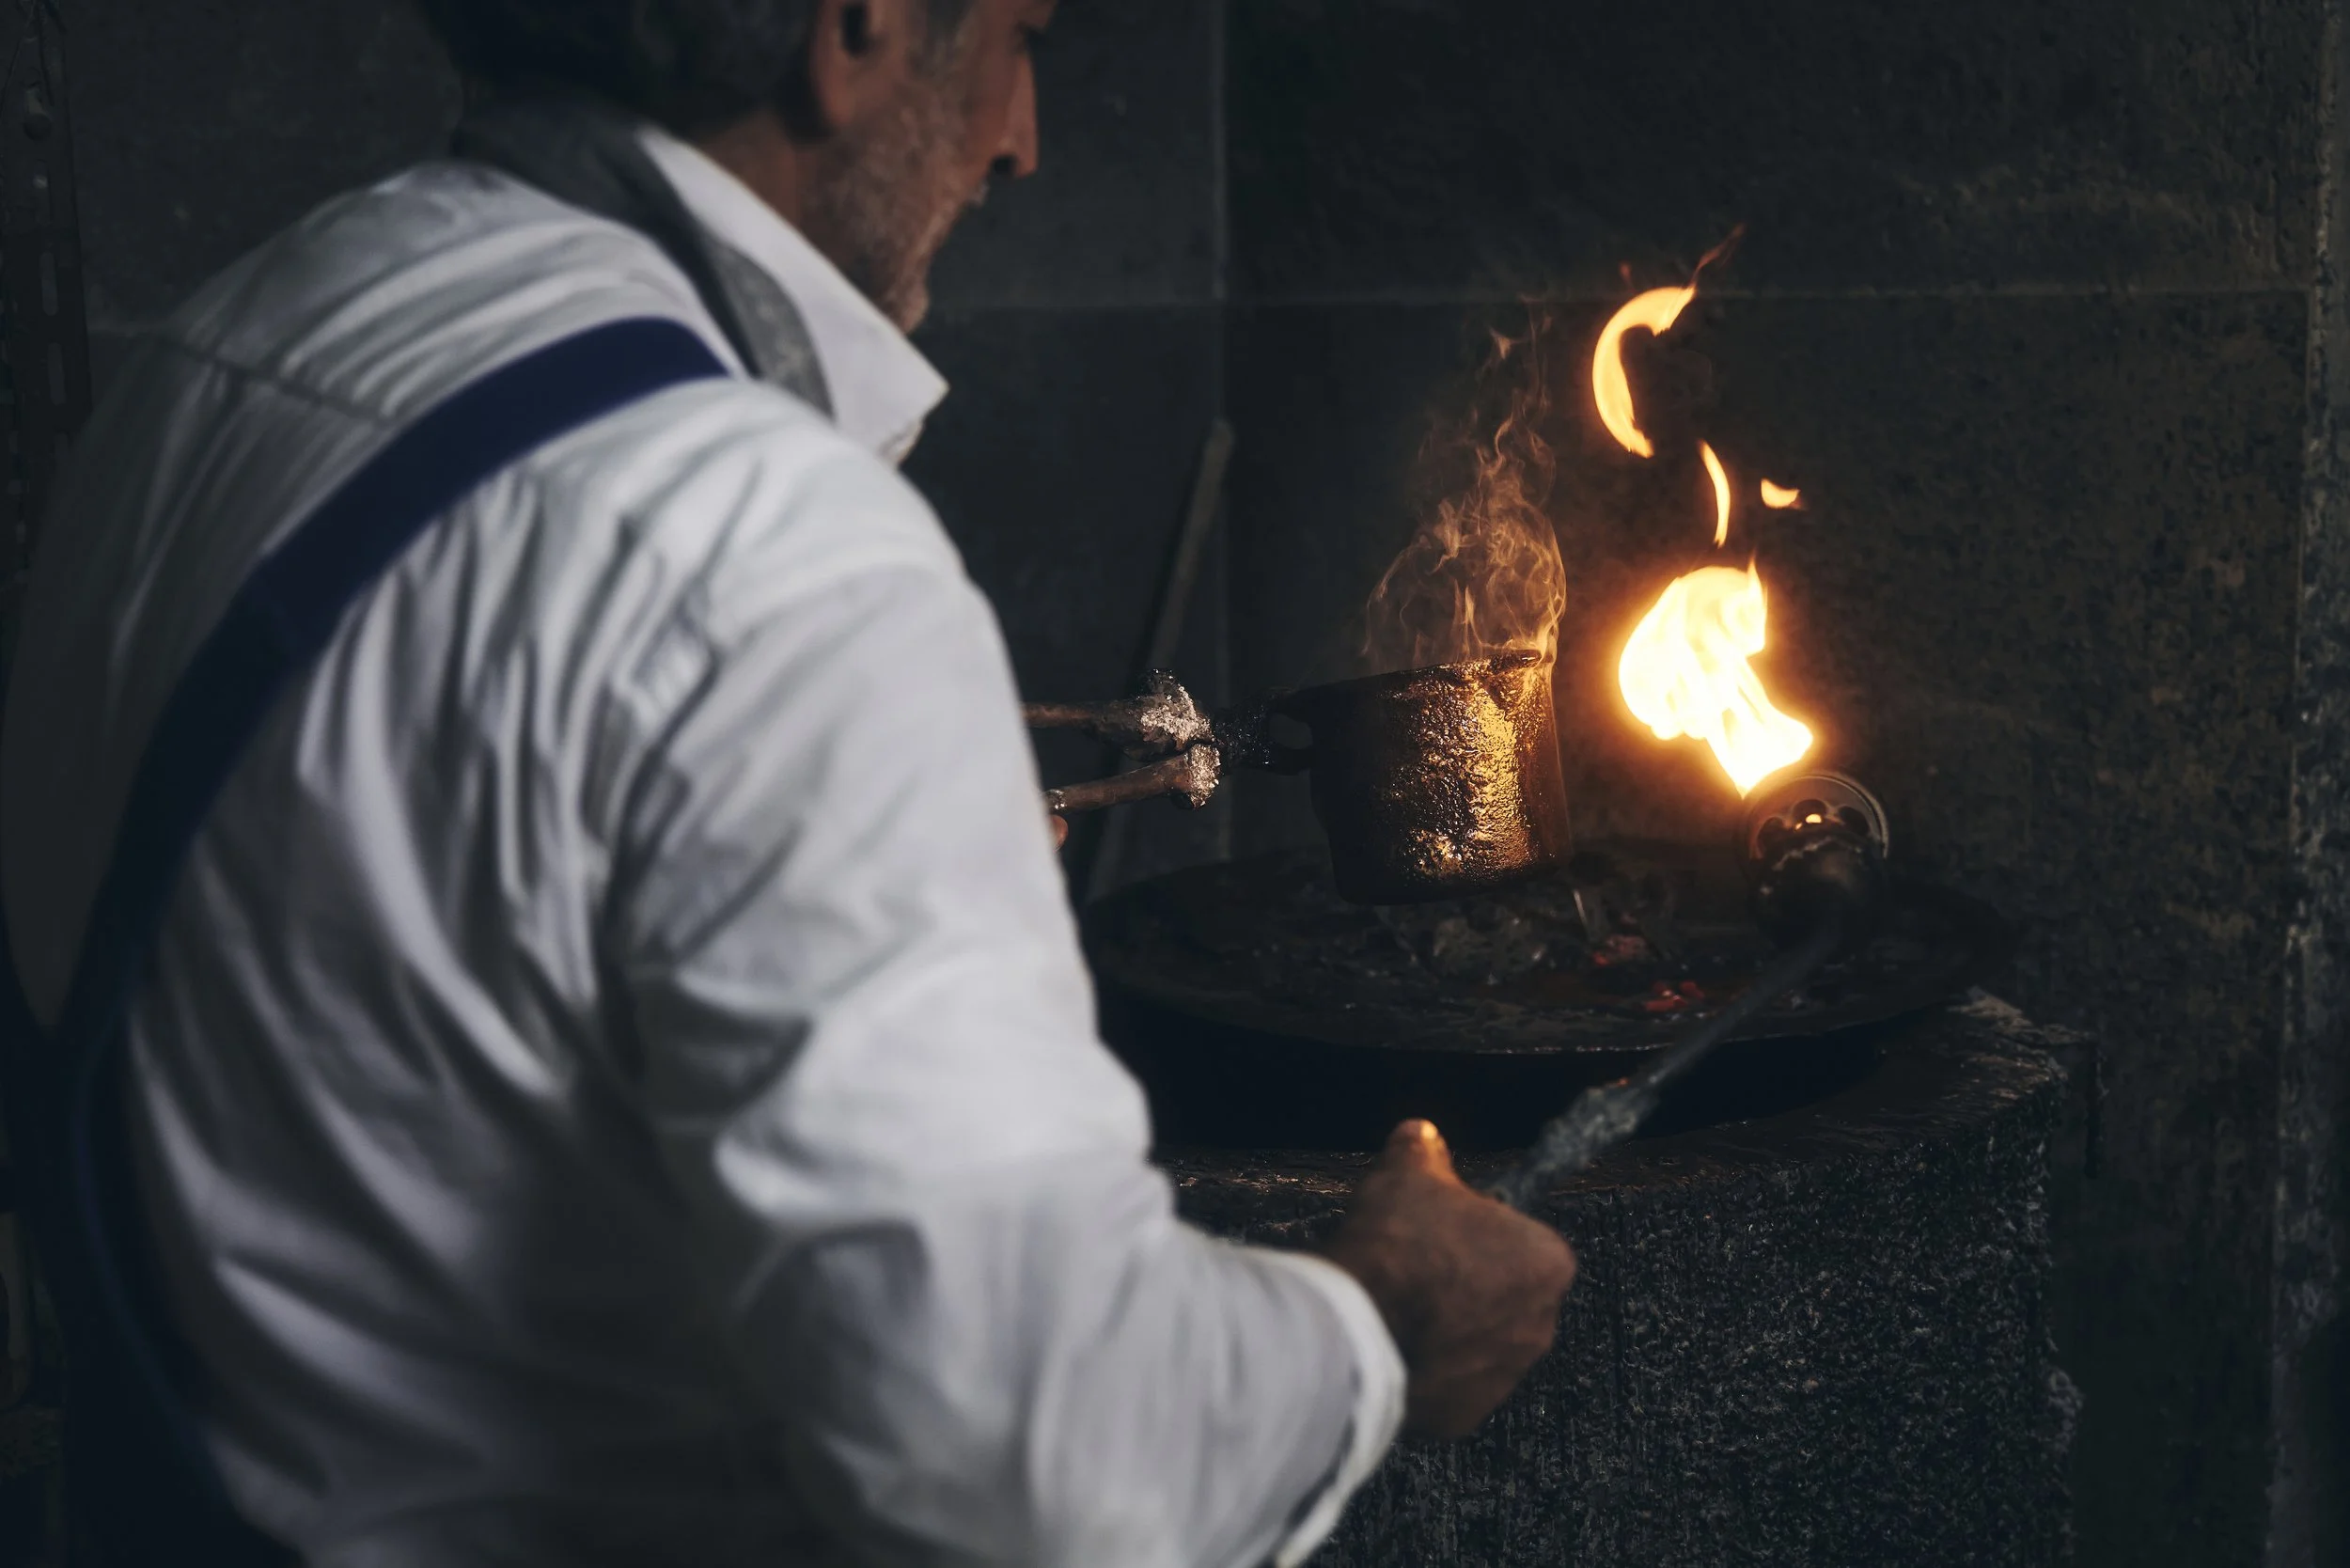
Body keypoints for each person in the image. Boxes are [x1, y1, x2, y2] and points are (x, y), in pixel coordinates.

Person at [0, 0, 1576, 1562]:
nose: (1020, 140)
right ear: (860, 27)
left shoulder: (224, 349)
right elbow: (1046, 1449)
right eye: (1021, 41)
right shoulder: (757, 545)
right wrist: (1376, 1325)